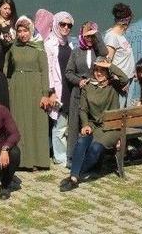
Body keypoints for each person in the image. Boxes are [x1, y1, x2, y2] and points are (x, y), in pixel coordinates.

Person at [59, 58, 129, 192]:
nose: (98, 73)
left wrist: (109, 65)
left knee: (96, 149)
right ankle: (74, 178)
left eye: (102, 70)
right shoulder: (88, 86)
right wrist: (85, 124)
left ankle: (75, 175)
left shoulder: (113, 85)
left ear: (108, 72)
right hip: (93, 124)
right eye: (96, 70)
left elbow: (125, 79)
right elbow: (83, 109)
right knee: (82, 141)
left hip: (111, 127)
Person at [4, 16, 50, 170]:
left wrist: (45, 93)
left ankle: (37, 160)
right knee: (19, 122)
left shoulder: (38, 47)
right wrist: (9, 86)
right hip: (17, 87)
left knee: (35, 122)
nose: (22, 34)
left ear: (31, 31)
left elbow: (44, 71)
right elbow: (6, 69)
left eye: (25, 31)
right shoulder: (13, 48)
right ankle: (21, 160)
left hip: (35, 88)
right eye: (20, 31)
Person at [63, 21, 107, 167]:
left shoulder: (98, 51)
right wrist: (78, 81)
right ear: (81, 34)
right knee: (75, 124)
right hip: (79, 91)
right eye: (86, 35)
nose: (89, 38)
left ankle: (93, 156)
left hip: (94, 92)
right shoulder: (76, 51)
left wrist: (96, 35)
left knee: (92, 123)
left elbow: (105, 53)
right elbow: (68, 72)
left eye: (91, 35)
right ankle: (72, 157)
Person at [43, 12, 75, 165]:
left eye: (69, 25)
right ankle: (59, 157)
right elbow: (48, 69)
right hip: (57, 89)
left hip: (69, 87)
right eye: (62, 24)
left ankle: (66, 153)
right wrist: (51, 92)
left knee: (67, 122)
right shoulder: (50, 44)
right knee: (59, 124)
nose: (66, 27)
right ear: (56, 24)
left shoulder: (69, 43)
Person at [104, 3, 135, 83]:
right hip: (120, 82)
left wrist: (133, 71)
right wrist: (119, 80)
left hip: (128, 78)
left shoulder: (120, 36)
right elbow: (107, 62)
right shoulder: (112, 36)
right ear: (127, 21)